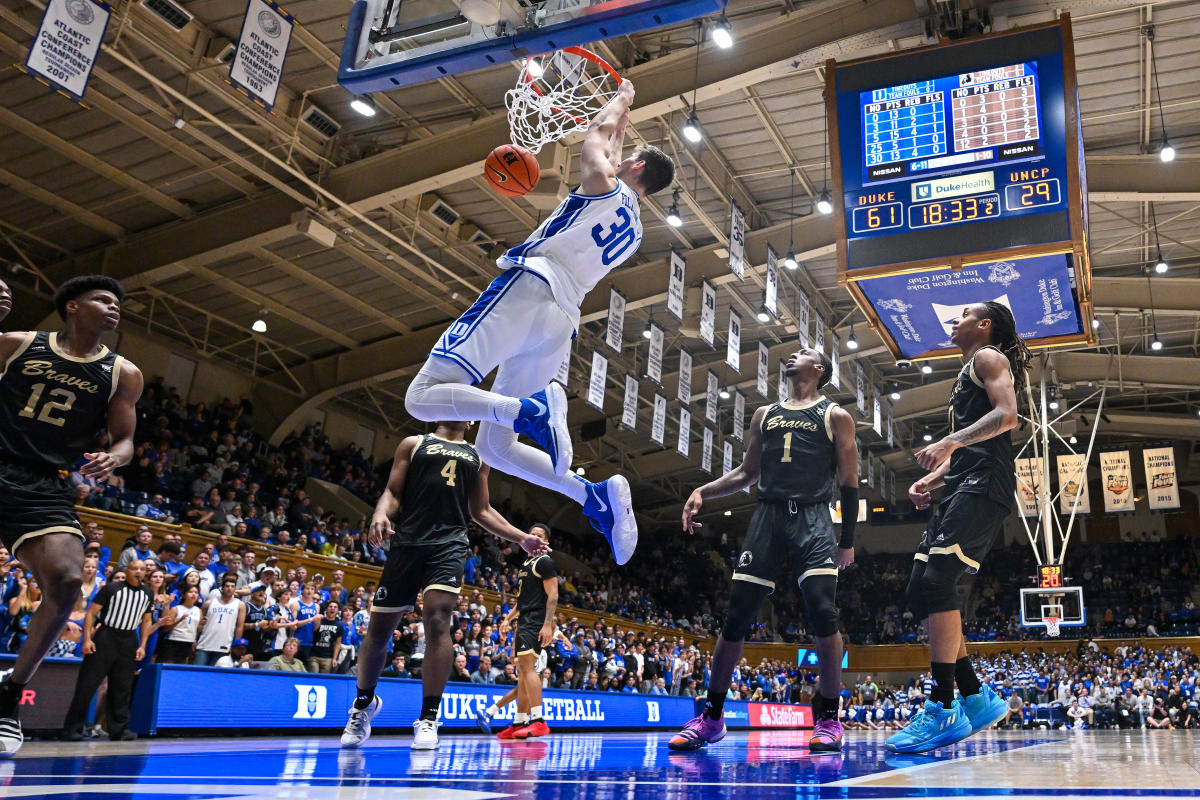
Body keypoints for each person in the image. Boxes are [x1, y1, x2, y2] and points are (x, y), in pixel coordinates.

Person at [402, 81, 675, 568]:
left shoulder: (604, 186)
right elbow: (611, 146)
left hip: (529, 289)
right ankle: (592, 496)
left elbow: (597, 133)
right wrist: (625, 122)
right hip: (560, 320)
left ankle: (530, 411)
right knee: (495, 445)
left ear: (634, 168)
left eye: (625, 156)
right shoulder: (635, 230)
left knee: (421, 398)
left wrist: (624, 99)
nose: (617, 155)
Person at [671, 347, 858, 753]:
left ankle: (828, 717)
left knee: (824, 611)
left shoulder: (836, 416)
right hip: (768, 517)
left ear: (819, 368)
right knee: (737, 613)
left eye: (804, 352)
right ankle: (712, 717)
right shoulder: (764, 414)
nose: (794, 354)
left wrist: (847, 542)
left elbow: (849, 483)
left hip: (813, 518)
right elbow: (748, 473)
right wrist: (702, 491)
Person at [340, 420, 549, 751]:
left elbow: (481, 510)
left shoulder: (479, 455)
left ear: (471, 419)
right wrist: (380, 514)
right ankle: (364, 705)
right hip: (407, 541)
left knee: (438, 619)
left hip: (449, 544)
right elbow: (393, 491)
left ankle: (428, 718)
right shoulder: (412, 443)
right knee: (379, 630)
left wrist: (521, 536)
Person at [0, 275, 143, 756]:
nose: (114, 307)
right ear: (72, 307)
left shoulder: (123, 373)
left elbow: (124, 439)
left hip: (45, 483)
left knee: (64, 582)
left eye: (118, 303)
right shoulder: (18, 345)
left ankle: (9, 695)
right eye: (103, 299)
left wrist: (115, 457)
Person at [886, 302, 1031, 755]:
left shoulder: (990, 359)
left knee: (938, 581)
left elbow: (1009, 415)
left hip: (987, 485)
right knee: (919, 589)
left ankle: (943, 705)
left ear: (983, 326)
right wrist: (938, 473)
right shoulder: (967, 370)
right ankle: (976, 696)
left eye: (964, 313)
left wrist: (951, 440)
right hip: (966, 480)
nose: (955, 319)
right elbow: (973, 447)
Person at [61, 559, 154, 741]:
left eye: (142, 569)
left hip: (129, 639)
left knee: (122, 687)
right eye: (134, 568)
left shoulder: (148, 593)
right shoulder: (111, 589)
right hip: (106, 636)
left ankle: (119, 729)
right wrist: (87, 639)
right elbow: (91, 614)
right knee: (87, 684)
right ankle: (73, 729)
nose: (138, 572)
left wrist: (142, 645)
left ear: (145, 573)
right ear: (127, 570)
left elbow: (147, 620)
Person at [490, 523, 558, 740]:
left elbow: (553, 595)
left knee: (528, 668)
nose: (535, 537)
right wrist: (507, 619)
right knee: (522, 672)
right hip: (524, 618)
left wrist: (548, 624)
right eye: (532, 534)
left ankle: (538, 720)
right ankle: (520, 721)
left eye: (540, 535)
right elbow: (521, 601)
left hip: (536, 619)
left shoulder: (545, 561)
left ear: (545, 542)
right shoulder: (526, 563)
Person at [194, 575, 245, 666]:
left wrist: (236, 646)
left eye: (232, 586)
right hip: (204, 644)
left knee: (215, 676)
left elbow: (239, 626)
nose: (229, 589)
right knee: (198, 673)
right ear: (222, 588)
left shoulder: (240, 605)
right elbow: (199, 623)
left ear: (235, 589)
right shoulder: (209, 603)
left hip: (224, 645)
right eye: (227, 586)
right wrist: (195, 639)